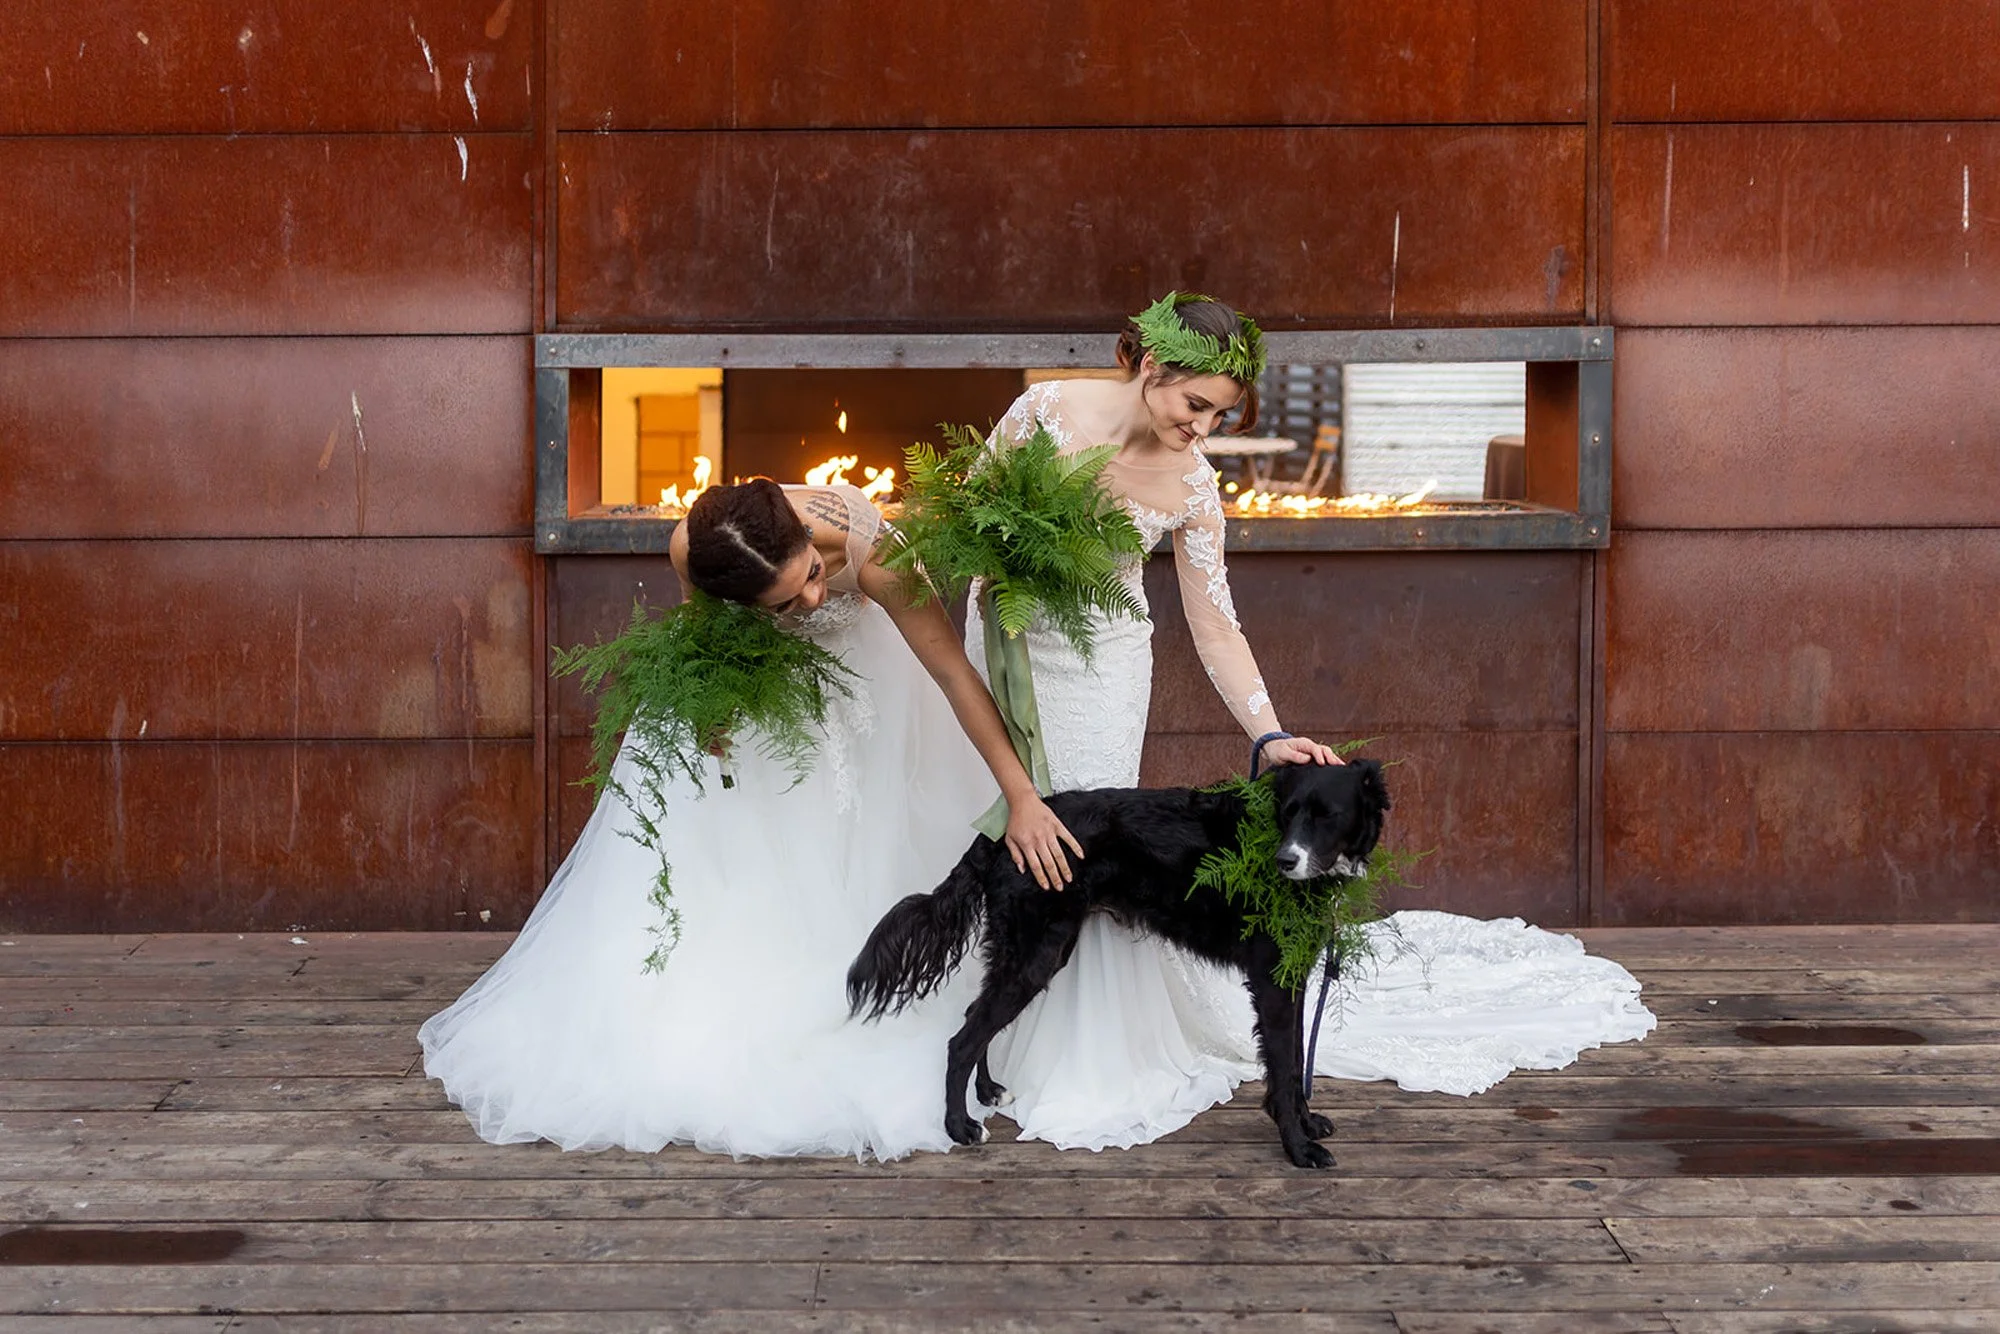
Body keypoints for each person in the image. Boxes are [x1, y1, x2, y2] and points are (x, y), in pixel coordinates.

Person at [964, 293, 1654, 1150]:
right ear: (1150, 368)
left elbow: (1216, 624)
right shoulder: (1044, 412)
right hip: (1005, 639)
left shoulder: (1191, 485)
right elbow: (968, 528)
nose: (1204, 430)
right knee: (1008, 835)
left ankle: (1076, 1055)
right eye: (1196, 406)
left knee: (1086, 852)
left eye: (1220, 416)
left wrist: (1268, 733)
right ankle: (988, 1026)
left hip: (1104, 668)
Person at [419, 480, 1080, 1159]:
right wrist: (713, 705)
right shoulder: (690, 547)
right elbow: (703, 630)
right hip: (763, 691)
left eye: (814, 577)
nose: (813, 600)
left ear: (809, 544)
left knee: (862, 843)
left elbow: (952, 675)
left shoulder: (874, 555)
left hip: (865, 688)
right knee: (732, 857)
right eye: (785, 603)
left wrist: (1021, 798)